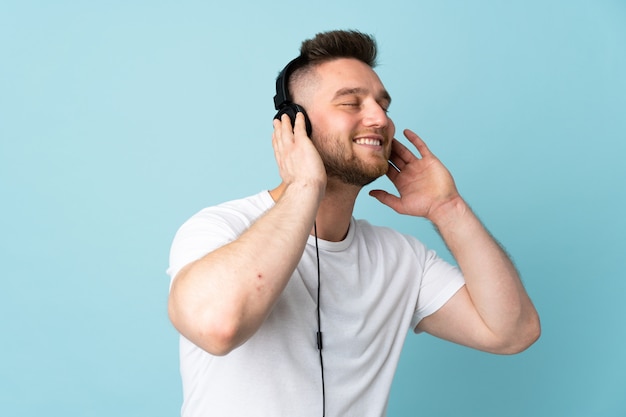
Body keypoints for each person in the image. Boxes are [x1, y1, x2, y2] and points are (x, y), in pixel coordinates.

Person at [166, 30, 540, 417]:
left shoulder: (401, 259)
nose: (379, 118)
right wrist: (305, 185)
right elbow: (217, 326)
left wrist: (448, 208)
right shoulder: (219, 229)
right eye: (351, 103)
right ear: (295, 124)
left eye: (383, 105)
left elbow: (512, 332)